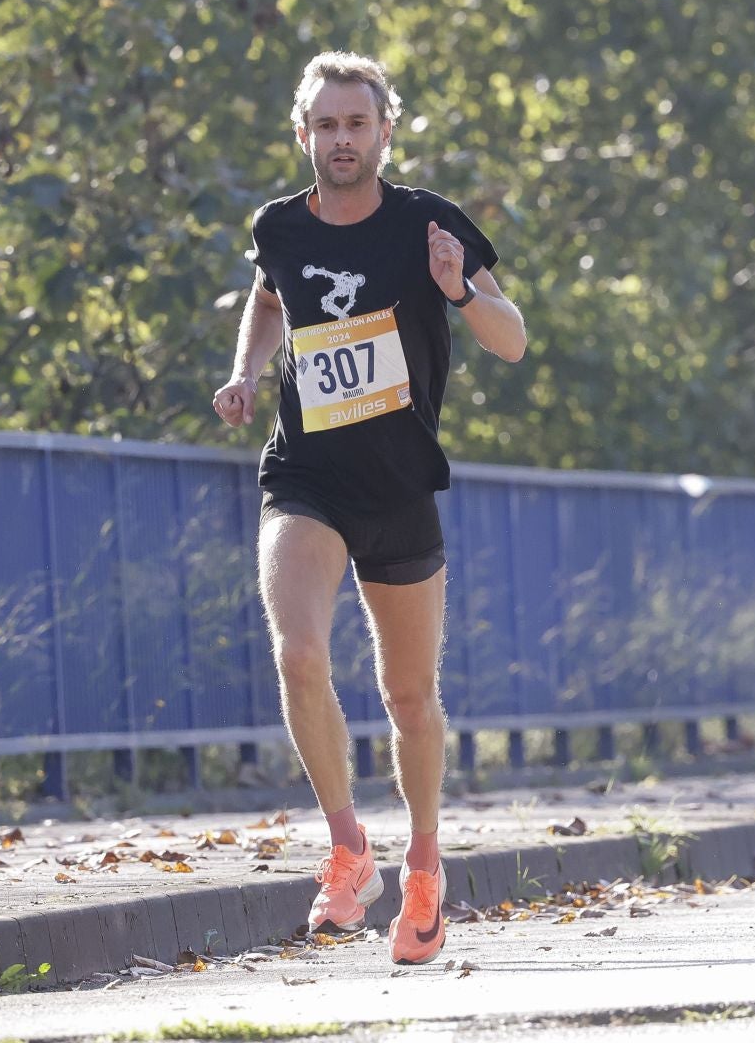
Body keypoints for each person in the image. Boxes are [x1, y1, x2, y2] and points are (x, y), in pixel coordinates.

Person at [212, 51, 527, 962]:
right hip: (306, 476)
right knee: (298, 652)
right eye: (327, 124)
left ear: (386, 131)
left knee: (409, 696)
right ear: (302, 133)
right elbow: (270, 299)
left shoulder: (429, 222)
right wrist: (246, 371)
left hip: (399, 484)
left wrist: (458, 289)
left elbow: (511, 340)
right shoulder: (279, 225)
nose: (341, 139)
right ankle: (349, 849)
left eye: (357, 123)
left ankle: (424, 863)